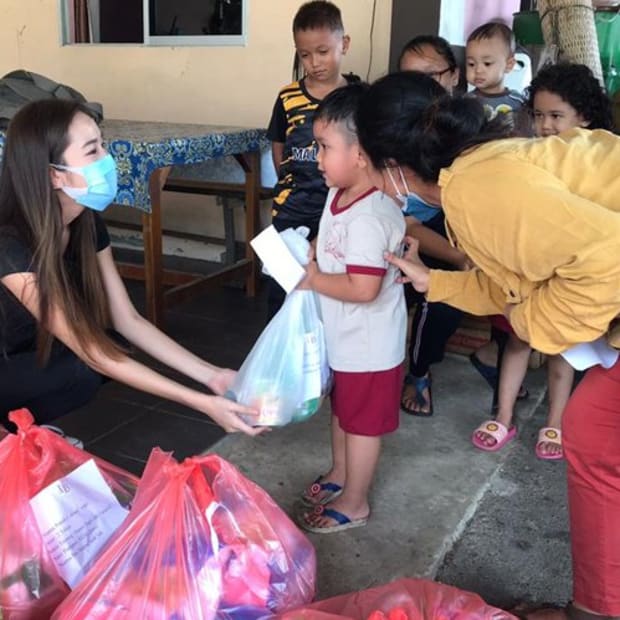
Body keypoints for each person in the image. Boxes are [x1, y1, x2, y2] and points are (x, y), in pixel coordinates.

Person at [356, 70, 620, 619]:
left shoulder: (477, 190)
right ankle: (597, 606)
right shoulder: (475, 170)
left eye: (362, 161)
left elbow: (605, 263)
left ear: (393, 167)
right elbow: (515, 274)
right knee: (593, 431)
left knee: (594, 433)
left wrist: (534, 323)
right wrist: (437, 283)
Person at [0, 99, 263, 437]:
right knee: (85, 364)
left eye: (103, 144)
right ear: (54, 174)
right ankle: (13, 431)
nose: (108, 160)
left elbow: (128, 319)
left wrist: (212, 376)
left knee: (108, 344)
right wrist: (202, 403)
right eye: (93, 151)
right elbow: (90, 351)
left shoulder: (84, 221)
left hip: (23, 354)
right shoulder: (11, 245)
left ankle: (20, 428)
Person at [472, 63, 615, 458]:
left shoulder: (598, 161)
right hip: (530, 266)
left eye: (556, 116)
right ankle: (503, 414)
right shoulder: (530, 154)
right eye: (538, 115)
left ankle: (554, 422)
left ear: (583, 116)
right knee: (517, 336)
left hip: (572, 275)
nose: (545, 126)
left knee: (562, 349)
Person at [297, 82, 406, 534]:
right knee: (343, 411)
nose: (317, 158)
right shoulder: (339, 193)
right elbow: (330, 236)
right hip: (346, 339)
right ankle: (341, 475)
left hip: (370, 345)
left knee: (361, 425)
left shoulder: (370, 214)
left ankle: (356, 501)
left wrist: (313, 279)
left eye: (324, 147)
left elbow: (363, 288)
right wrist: (315, 251)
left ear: (360, 153)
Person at [266, 0, 357, 318]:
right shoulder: (287, 96)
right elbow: (279, 144)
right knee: (281, 290)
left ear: (343, 44)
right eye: (304, 55)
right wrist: (287, 180)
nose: (314, 62)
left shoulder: (357, 97)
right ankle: (277, 356)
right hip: (291, 208)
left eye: (323, 51)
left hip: (342, 209)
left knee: (329, 291)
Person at [396, 36, 469, 416]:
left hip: (456, 229)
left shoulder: (469, 131)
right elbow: (402, 220)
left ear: (453, 76)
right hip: (409, 233)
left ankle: (419, 371)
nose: (420, 90)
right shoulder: (396, 133)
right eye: (409, 79)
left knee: (442, 303)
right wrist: (460, 259)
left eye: (430, 77)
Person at [465, 22, 526, 128]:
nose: (478, 70)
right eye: (471, 64)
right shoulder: (465, 102)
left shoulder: (519, 102)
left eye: (487, 63)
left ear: (509, 65)